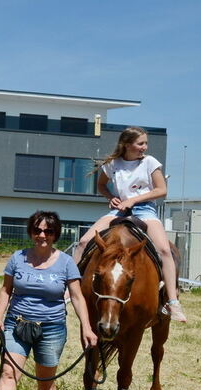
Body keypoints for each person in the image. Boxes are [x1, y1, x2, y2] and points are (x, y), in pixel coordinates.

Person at [0, 211, 98, 390]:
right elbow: (6, 290)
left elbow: (77, 296)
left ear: (55, 234)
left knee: (45, 381)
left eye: (48, 231)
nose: (42, 235)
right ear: (31, 232)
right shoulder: (18, 258)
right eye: (37, 230)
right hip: (16, 324)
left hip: (51, 328)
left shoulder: (66, 262)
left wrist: (87, 327)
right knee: (8, 372)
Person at [73, 126, 186, 322]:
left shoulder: (150, 162)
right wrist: (111, 197)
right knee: (83, 242)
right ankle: (70, 288)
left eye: (145, 143)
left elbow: (161, 190)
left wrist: (133, 200)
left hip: (145, 210)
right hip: (119, 210)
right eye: (140, 143)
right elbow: (101, 185)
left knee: (164, 250)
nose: (144, 147)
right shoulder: (112, 164)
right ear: (126, 144)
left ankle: (172, 301)